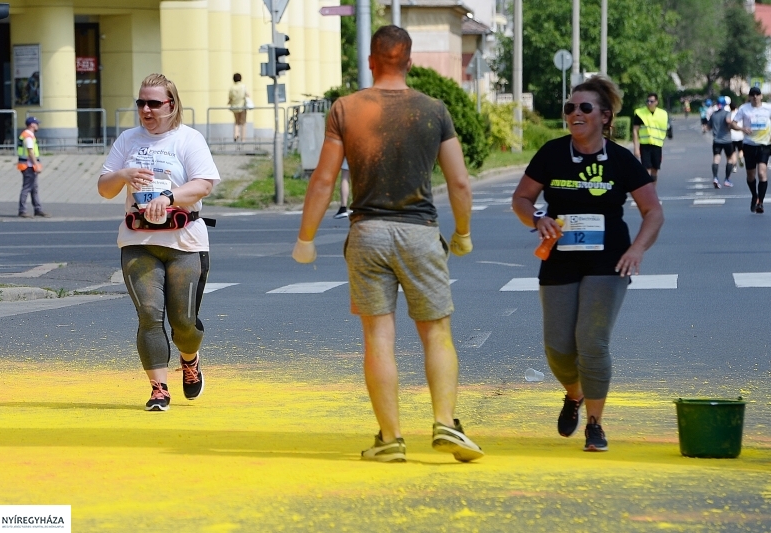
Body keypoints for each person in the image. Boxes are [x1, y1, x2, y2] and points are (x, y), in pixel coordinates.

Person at [292, 25, 483, 463]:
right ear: (410, 62)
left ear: (371, 61)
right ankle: (445, 421)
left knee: (379, 337)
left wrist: (306, 238)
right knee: (436, 332)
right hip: (420, 233)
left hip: (368, 233)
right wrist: (463, 233)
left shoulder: (346, 109)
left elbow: (324, 180)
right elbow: (459, 182)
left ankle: (391, 438)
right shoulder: (433, 110)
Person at [512, 76, 664, 452]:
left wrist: (637, 250)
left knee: (592, 341)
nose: (575, 113)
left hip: (608, 260)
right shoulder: (552, 153)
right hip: (559, 257)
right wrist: (537, 218)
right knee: (558, 348)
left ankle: (595, 424)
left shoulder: (621, 160)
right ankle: (574, 393)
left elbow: (653, 212)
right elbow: (521, 199)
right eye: (570, 108)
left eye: (584, 107)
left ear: (605, 116)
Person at [98, 73, 220, 411]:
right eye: (141, 103)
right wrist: (122, 175)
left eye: (154, 103)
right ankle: (158, 389)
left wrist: (168, 198)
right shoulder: (128, 140)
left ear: (172, 104)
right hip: (138, 241)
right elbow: (105, 189)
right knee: (149, 315)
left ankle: (190, 359)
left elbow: (204, 185)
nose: (146, 110)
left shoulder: (188, 139)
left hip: (185, 243)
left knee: (183, 324)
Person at [729, 86, 771, 213]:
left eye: (757, 94)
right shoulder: (744, 109)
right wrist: (742, 129)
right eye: (752, 94)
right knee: (751, 175)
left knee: (762, 173)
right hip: (749, 145)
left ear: (761, 96)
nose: (755, 97)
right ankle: (754, 195)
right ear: (749, 97)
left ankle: (760, 203)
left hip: (764, 144)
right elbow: (733, 123)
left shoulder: (768, 108)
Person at [632, 92, 669, 185]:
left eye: (651, 101)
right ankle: (647, 190)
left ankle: (653, 190)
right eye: (647, 101)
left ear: (656, 102)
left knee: (655, 170)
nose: (649, 103)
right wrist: (636, 148)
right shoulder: (640, 113)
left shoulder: (662, 114)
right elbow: (635, 130)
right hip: (645, 145)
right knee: (646, 170)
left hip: (657, 145)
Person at [17, 116, 50, 218]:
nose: (38, 125)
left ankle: (38, 209)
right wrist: (36, 165)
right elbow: (30, 151)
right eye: (36, 123)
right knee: (27, 188)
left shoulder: (27, 135)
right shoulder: (28, 136)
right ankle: (22, 210)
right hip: (28, 166)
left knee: (34, 188)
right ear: (32, 125)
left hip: (27, 165)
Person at [707, 96, 735, 188]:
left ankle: (715, 177)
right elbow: (728, 121)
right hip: (727, 140)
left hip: (716, 140)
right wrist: (732, 126)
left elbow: (708, 127)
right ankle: (727, 179)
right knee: (730, 159)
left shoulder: (713, 114)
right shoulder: (727, 113)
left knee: (716, 159)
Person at [227, 73, 249, 142]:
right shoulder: (243, 86)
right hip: (242, 106)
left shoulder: (232, 88)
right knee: (243, 122)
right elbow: (247, 95)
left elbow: (230, 97)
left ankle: (236, 135)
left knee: (236, 122)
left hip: (234, 107)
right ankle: (243, 139)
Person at [729, 96, 745, 170]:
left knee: (733, 152)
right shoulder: (739, 113)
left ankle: (734, 166)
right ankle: (741, 157)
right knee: (740, 149)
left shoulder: (728, 115)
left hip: (731, 136)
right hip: (740, 135)